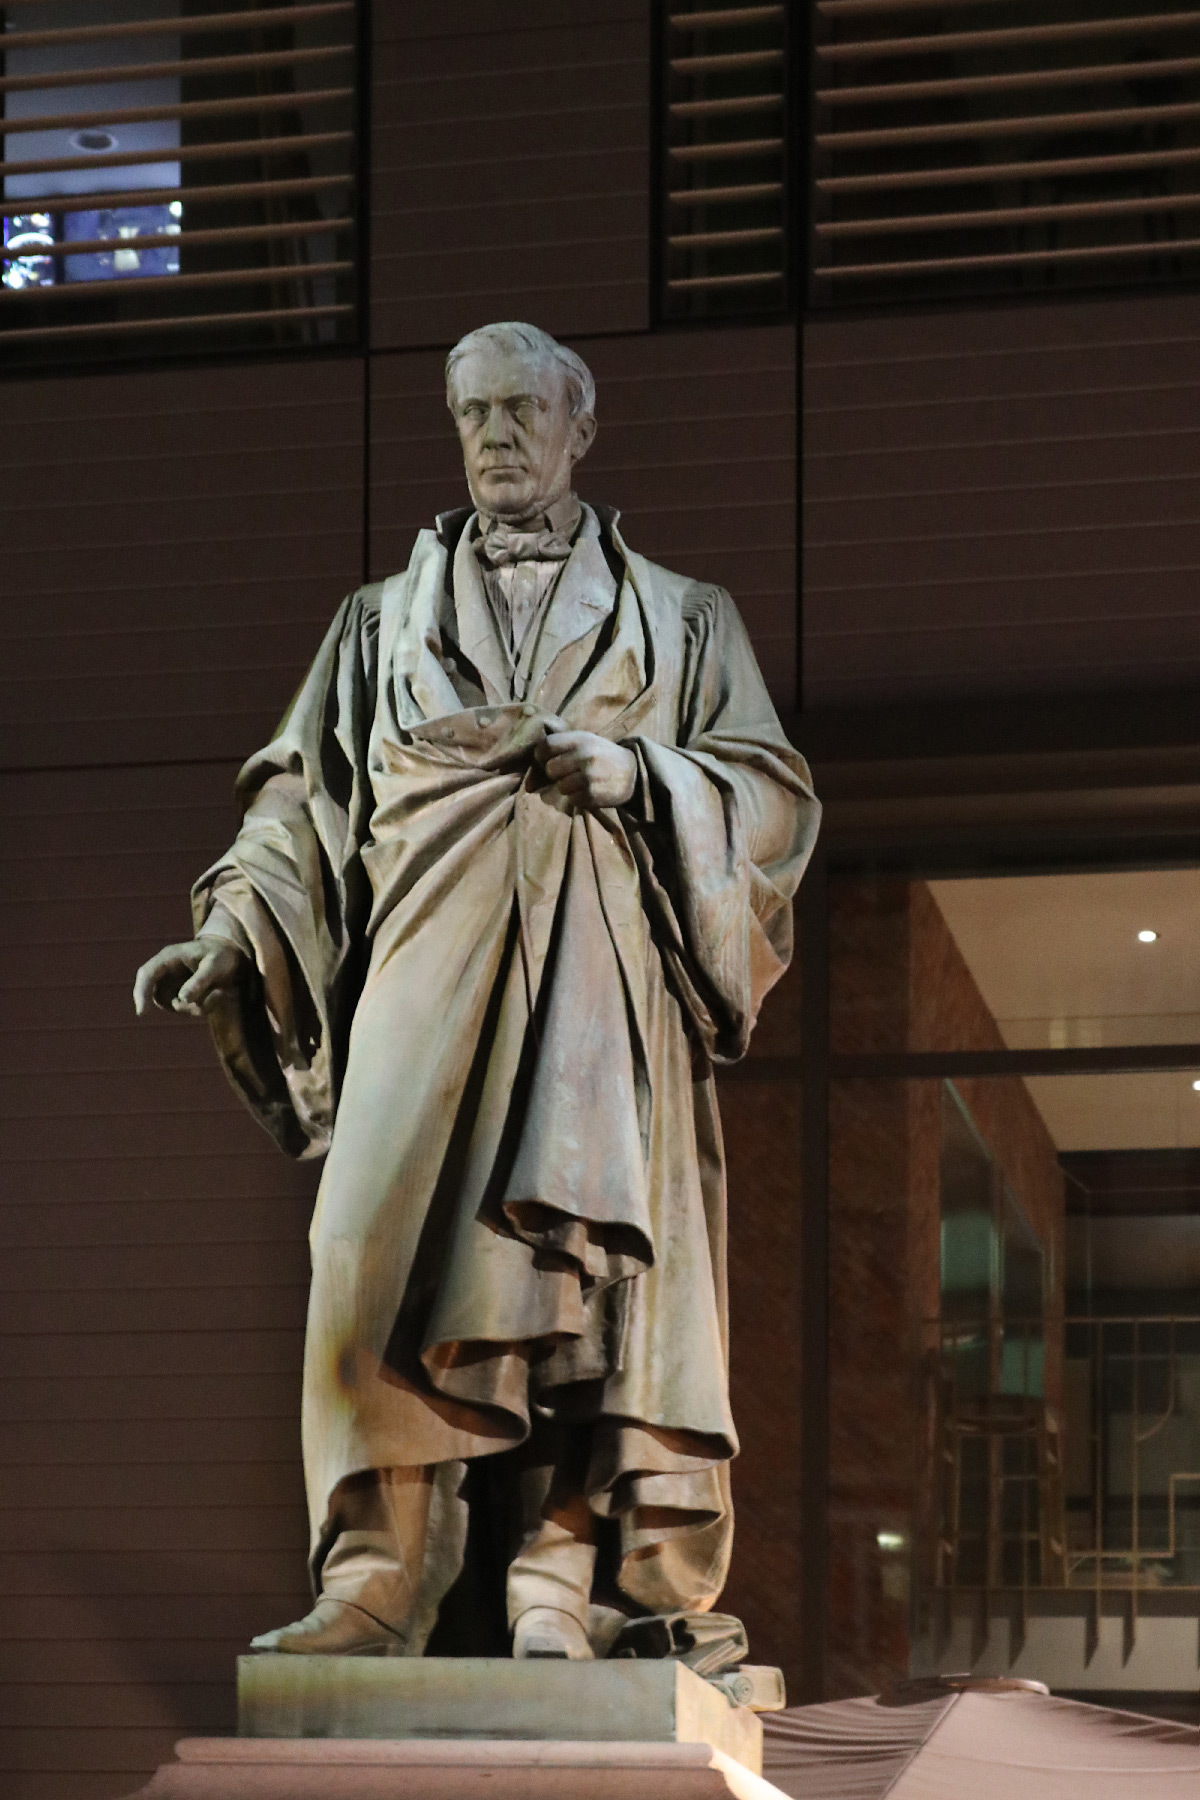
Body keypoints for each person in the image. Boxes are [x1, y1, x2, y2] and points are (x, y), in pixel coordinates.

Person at [133, 321, 820, 1661]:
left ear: (582, 424)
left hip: (600, 981)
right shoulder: (375, 622)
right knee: (369, 1253)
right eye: (472, 414)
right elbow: (300, 799)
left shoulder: (683, 617)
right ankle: (378, 1576)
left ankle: (559, 1579)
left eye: (521, 409)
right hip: (421, 974)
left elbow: (772, 793)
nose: (497, 435)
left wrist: (645, 778)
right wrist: (236, 926)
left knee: (590, 1270)